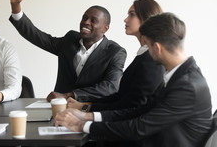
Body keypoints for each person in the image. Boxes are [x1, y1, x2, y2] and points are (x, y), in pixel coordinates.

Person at [55, 13, 212, 147]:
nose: (147, 53)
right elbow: (140, 111)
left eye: (148, 48)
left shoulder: (187, 86)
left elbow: (140, 127)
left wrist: (82, 125)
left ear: (157, 48)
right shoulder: (178, 76)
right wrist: (88, 116)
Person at [9, 0, 127, 102]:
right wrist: (16, 6)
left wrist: (69, 95)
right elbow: (36, 36)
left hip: (92, 110)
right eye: (84, 18)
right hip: (60, 109)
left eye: (93, 20)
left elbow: (110, 86)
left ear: (105, 29)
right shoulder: (70, 40)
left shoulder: (115, 52)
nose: (86, 22)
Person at [67, 0, 165, 114]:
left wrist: (85, 109)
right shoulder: (143, 54)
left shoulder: (151, 59)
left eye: (131, 15)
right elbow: (121, 98)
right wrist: (84, 106)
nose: (125, 19)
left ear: (147, 18)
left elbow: (133, 105)